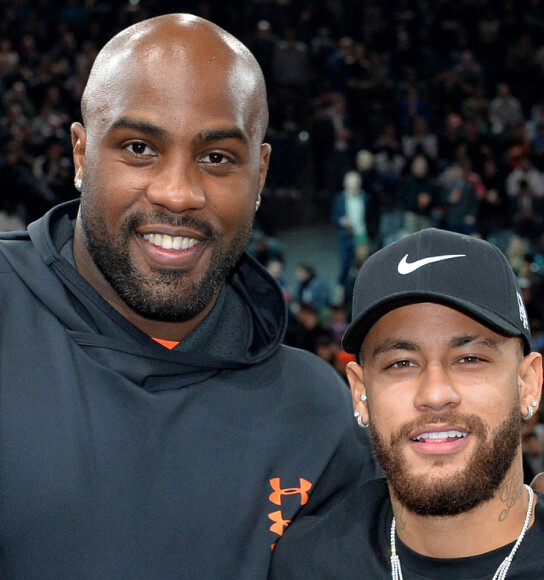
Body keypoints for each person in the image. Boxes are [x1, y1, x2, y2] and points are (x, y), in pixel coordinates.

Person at [0, 14, 377, 579]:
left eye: (217, 157)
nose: (177, 192)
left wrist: (539, 524)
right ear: (81, 155)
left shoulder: (319, 415)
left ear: (261, 175)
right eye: (139, 147)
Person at [269, 229, 544, 578]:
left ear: (530, 384)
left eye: (470, 359)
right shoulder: (307, 563)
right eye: (401, 363)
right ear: (360, 392)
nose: (434, 394)